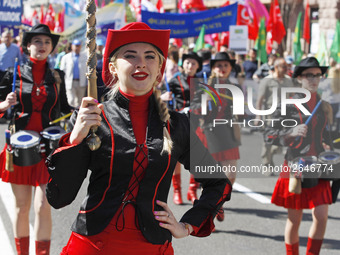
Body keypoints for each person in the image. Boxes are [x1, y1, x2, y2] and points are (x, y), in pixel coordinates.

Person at [45, 22, 232, 254]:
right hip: (92, 245)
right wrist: (74, 139)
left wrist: (188, 225)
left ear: (159, 68)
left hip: (153, 247)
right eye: (130, 56)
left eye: (150, 56)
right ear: (113, 68)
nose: (141, 63)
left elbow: (218, 182)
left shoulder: (177, 124)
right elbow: (59, 197)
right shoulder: (91, 118)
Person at [0, 24, 71, 255]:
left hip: (48, 150)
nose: (42, 46)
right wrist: (5, 104)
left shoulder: (57, 77)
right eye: (37, 41)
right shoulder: (14, 74)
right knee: (22, 208)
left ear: (52, 48)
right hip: (19, 148)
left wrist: (82, 113)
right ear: (28, 46)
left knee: (43, 207)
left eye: (47, 42)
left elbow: (65, 109)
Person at [265, 57, 333, 255]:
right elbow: (269, 134)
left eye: (318, 75)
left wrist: (327, 144)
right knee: (295, 220)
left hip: (319, 166)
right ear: (299, 78)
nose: (314, 79)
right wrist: (291, 132)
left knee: (321, 217)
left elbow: (327, 134)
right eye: (309, 75)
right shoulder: (288, 103)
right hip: (296, 167)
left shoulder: (323, 104)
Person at [196, 52, 241, 221]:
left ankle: (218, 203)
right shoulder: (205, 85)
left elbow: (240, 112)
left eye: (225, 65)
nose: (222, 68)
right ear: (213, 68)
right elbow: (196, 110)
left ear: (230, 68)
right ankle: (208, 212)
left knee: (230, 174)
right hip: (209, 131)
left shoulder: (234, 87)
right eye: (219, 65)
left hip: (228, 131)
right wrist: (204, 101)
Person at [166, 52, 203, 205]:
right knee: (177, 157)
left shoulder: (203, 81)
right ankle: (177, 190)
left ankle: (192, 190)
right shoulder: (174, 80)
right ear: (183, 64)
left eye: (193, 63)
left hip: (197, 121)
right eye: (187, 62)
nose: (190, 66)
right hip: (178, 120)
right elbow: (166, 99)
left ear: (198, 66)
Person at [256, 58, 294, 172]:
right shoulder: (267, 81)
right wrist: (258, 116)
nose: (287, 69)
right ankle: (266, 163)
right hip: (270, 115)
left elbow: (293, 96)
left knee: (280, 141)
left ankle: (272, 154)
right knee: (268, 139)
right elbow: (260, 99)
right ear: (276, 67)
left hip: (285, 115)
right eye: (284, 67)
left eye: (287, 67)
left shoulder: (288, 81)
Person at [60, 39, 87, 108]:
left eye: (78, 46)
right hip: (70, 82)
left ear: (80, 47)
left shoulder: (85, 57)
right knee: (71, 100)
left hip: (81, 82)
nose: (77, 48)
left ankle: (78, 116)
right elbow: (62, 69)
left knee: (80, 101)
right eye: (75, 46)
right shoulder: (66, 57)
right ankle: (71, 117)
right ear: (72, 46)